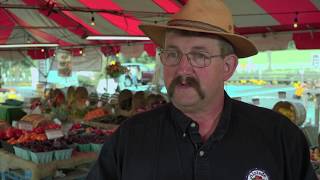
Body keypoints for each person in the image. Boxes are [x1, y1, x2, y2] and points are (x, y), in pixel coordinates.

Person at [87, 0, 317, 179]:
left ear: (228, 67)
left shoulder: (280, 138)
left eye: (199, 56)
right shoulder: (130, 138)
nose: (182, 69)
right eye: (173, 54)